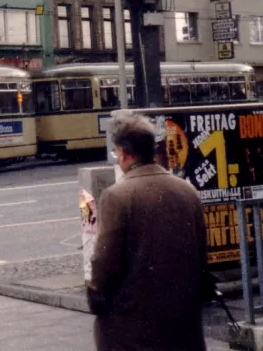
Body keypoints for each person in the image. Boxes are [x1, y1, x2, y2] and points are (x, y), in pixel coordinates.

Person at [87, 113, 208, 351]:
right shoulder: (187, 191)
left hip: (134, 329)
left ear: (122, 152)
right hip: (183, 324)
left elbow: (105, 263)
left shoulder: (116, 196)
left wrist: (96, 297)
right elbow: (200, 255)